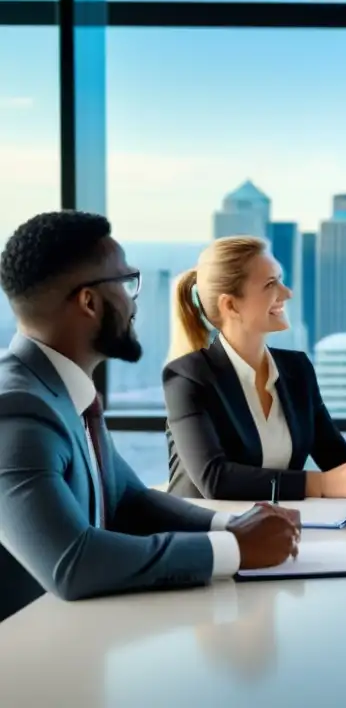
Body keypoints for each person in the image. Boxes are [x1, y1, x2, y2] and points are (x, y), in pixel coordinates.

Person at [0, 211, 300, 623]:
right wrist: (235, 549)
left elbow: (128, 501)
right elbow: (72, 562)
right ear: (89, 302)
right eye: (126, 283)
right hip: (29, 661)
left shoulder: (64, 391)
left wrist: (234, 525)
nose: (134, 300)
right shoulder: (15, 409)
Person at [163, 236, 346, 502]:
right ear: (230, 305)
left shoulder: (297, 369)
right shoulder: (187, 377)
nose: (287, 293)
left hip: (272, 529)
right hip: (203, 534)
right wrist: (319, 484)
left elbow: (335, 460)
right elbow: (215, 479)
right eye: (271, 284)